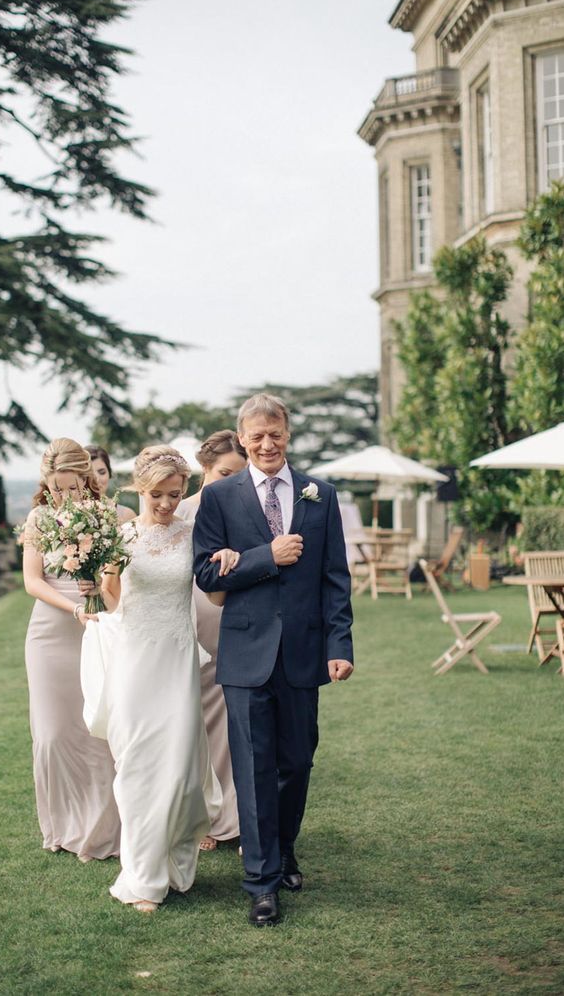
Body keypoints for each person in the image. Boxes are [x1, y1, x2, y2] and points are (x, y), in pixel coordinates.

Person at [192, 394, 354, 927]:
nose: (266, 444)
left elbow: (335, 578)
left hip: (304, 654)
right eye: (256, 435)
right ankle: (261, 882)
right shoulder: (219, 498)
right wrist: (269, 556)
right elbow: (208, 576)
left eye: (275, 434)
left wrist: (339, 647)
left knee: (297, 762)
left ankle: (283, 851)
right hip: (244, 655)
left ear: (288, 434)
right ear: (241, 438)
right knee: (255, 768)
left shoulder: (320, 495)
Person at [82, 445, 237, 912]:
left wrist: (228, 555)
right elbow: (113, 601)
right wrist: (93, 575)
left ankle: (173, 859)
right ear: (140, 489)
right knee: (137, 767)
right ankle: (144, 877)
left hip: (176, 661)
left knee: (181, 772)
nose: (167, 504)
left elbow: (212, 580)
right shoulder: (122, 537)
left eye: (175, 494)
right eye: (157, 496)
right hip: (134, 661)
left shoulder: (194, 534)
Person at [22, 438, 120, 862]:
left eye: (72, 486)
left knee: (96, 733)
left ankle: (100, 831)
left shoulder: (107, 517)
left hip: (96, 628)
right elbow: (33, 581)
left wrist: (97, 587)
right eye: (56, 487)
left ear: (86, 477)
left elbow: (117, 577)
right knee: (51, 736)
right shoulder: (38, 518)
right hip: (50, 632)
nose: (64, 495)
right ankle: (62, 826)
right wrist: (73, 605)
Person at [177, 430, 247, 850]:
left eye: (238, 474)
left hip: (229, 623)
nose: (229, 482)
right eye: (223, 472)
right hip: (186, 622)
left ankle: (232, 820)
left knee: (230, 725)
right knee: (193, 724)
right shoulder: (180, 511)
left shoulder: (242, 512)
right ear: (205, 468)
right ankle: (201, 815)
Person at [84, 444, 137, 524]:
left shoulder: (128, 515)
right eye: (90, 474)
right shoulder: (72, 515)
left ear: (109, 473)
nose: (96, 479)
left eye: (102, 472)